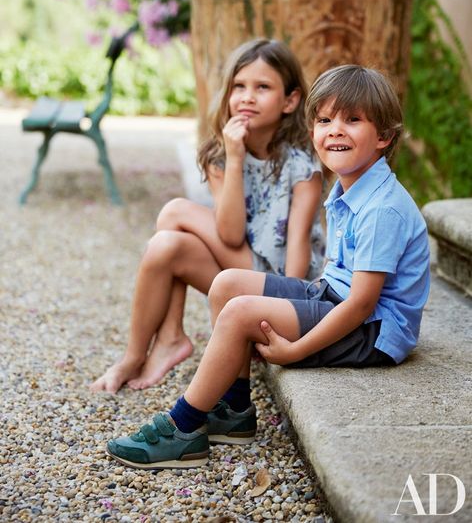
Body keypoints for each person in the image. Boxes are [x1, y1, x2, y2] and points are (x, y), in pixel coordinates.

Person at [105, 64, 431, 470]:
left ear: (383, 137)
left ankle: (182, 429)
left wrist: (295, 350)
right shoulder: (351, 186)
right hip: (337, 297)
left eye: (353, 120)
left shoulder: (383, 208)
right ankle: (235, 409)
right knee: (227, 285)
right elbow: (338, 282)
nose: (335, 130)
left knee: (241, 310)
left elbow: (362, 305)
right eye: (325, 120)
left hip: (375, 332)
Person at [91, 38, 325, 393]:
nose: (247, 97)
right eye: (239, 87)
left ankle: (170, 336)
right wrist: (233, 158)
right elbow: (230, 232)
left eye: (262, 87)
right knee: (165, 245)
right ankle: (134, 355)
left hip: (276, 285)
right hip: (238, 268)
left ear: (290, 101)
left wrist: (284, 311)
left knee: (174, 211)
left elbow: (296, 244)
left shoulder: (302, 167)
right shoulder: (220, 155)